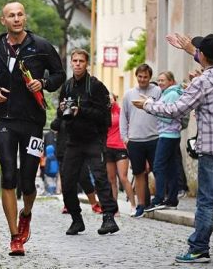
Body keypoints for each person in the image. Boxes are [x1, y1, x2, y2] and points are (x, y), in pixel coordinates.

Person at [134, 34, 213, 263]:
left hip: (212, 147)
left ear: (202, 56)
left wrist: (148, 105)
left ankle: (199, 249)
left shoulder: (202, 81)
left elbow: (176, 109)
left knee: (206, 200)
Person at [0, 1, 65, 256]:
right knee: (8, 175)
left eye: (20, 15)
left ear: (25, 18)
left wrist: (44, 83)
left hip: (32, 121)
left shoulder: (41, 46)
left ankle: (26, 213)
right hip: (4, 119)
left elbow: (59, 74)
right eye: (11, 16)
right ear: (2, 20)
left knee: (27, 181)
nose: (16, 19)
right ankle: (14, 236)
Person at [57, 48, 119, 236]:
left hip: (93, 139)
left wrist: (80, 110)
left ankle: (109, 217)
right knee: (67, 181)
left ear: (87, 64)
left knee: (100, 178)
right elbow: (61, 116)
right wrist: (62, 111)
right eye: (74, 61)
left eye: (81, 61)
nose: (77, 64)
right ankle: (76, 219)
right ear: (71, 63)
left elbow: (104, 115)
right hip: (74, 140)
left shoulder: (96, 86)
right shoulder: (67, 86)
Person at [120, 64, 161, 217]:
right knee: (138, 173)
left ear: (150, 78)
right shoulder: (129, 94)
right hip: (135, 139)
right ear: (136, 76)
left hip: (154, 137)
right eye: (140, 76)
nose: (142, 79)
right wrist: (125, 137)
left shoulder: (157, 91)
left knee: (157, 170)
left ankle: (157, 200)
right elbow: (124, 117)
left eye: (145, 77)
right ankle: (141, 204)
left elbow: (162, 110)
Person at [144, 71, 183, 212]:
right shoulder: (166, 93)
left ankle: (159, 198)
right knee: (171, 168)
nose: (160, 83)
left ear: (171, 81)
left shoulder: (172, 94)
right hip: (167, 134)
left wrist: (150, 106)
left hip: (168, 134)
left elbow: (169, 116)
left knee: (158, 166)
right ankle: (172, 199)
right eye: (158, 80)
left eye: (163, 80)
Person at [105, 94, 135, 214]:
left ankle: (133, 205)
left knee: (123, 177)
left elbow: (129, 126)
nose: (109, 100)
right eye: (106, 99)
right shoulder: (103, 114)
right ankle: (114, 208)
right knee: (111, 180)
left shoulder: (121, 111)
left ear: (115, 99)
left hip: (120, 147)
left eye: (110, 98)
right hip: (108, 147)